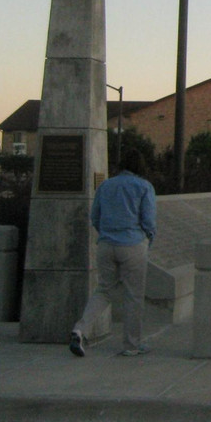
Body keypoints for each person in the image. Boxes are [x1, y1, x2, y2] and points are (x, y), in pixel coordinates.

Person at [69, 148, 156, 358]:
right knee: (133, 295)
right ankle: (131, 344)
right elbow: (149, 220)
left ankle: (81, 329)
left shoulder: (105, 185)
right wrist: (148, 239)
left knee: (104, 290)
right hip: (133, 244)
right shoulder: (144, 186)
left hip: (106, 244)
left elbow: (95, 216)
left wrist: (106, 233)